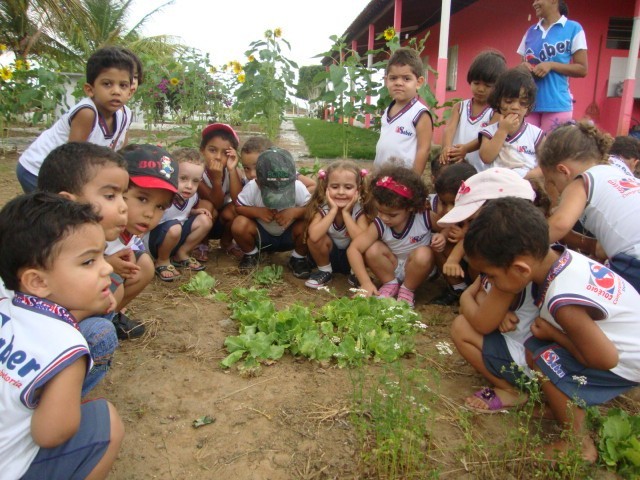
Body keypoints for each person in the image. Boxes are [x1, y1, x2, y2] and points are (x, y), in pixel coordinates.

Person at [464, 197, 640, 463]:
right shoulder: (563, 258)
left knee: (544, 354)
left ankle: (577, 444)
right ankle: (560, 407)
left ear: (520, 269)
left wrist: (553, 335)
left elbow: (606, 358)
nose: (492, 283)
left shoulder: (562, 300)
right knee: (539, 349)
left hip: (625, 361)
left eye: (493, 276)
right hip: (622, 344)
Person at [0, 192, 124, 479]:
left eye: (102, 255)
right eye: (88, 262)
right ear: (38, 281)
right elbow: (50, 434)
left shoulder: (6, 306)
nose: (107, 267)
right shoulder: (66, 347)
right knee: (106, 423)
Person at [37, 142, 128, 393]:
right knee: (101, 333)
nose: (123, 206)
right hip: (30, 343)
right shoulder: (44, 251)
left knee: (108, 290)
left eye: (123, 195)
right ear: (68, 202)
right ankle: (47, 408)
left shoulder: (59, 237)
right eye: (110, 196)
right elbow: (36, 324)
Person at [16, 46, 135, 193]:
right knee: (55, 211)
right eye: (107, 84)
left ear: (130, 92)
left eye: (123, 85)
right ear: (90, 89)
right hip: (36, 169)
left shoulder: (125, 115)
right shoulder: (87, 112)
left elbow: (120, 153)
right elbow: (74, 159)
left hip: (65, 169)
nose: (116, 91)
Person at [540, 121, 640, 292]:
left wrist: (521, 245)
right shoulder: (617, 174)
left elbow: (560, 224)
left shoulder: (581, 181)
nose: (555, 189)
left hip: (634, 260)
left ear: (564, 171)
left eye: (553, 182)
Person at [106, 144, 179, 338]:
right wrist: (104, 264)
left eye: (160, 206)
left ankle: (108, 318)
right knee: (116, 283)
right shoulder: (94, 224)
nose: (149, 214)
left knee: (144, 264)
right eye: (142, 199)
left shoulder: (128, 229)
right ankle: (83, 329)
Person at [347, 165, 445, 307]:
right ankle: (390, 283)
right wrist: (365, 282)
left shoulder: (424, 217)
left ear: (411, 207)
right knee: (372, 249)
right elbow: (354, 249)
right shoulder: (380, 223)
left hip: (419, 267)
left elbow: (447, 226)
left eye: (392, 214)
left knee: (424, 253)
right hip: (392, 266)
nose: (385, 218)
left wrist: (443, 235)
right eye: (380, 211)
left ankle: (408, 289)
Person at [232, 147, 312, 277]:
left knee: (309, 226)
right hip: (261, 236)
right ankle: (251, 254)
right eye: (272, 190)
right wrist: (257, 212)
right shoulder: (252, 187)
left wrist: (294, 212)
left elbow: (311, 210)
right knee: (239, 224)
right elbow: (239, 207)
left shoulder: (298, 187)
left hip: (288, 235)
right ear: (258, 181)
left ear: (293, 179)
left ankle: (298, 257)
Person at [517, 0, 588, 133]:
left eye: (538, 0)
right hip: (528, 105)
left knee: (548, 152)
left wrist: (551, 65)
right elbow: (521, 64)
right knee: (525, 151)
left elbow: (582, 69)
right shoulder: (531, 31)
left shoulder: (573, 28)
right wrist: (523, 67)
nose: (534, 3)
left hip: (558, 105)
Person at [303, 160, 371, 289]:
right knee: (316, 238)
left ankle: (356, 274)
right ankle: (324, 271)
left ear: (358, 189)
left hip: (352, 259)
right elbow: (314, 236)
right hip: (328, 257)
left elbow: (363, 241)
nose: (341, 192)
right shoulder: (323, 209)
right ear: (326, 188)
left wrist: (346, 214)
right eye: (335, 187)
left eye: (348, 187)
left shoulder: (359, 210)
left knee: (368, 239)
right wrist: (333, 211)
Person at [148, 148, 213, 281]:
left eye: (195, 181)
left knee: (205, 220)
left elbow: (182, 213)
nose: (189, 186)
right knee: (175, 228)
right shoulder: (163, 197)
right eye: (183, 178)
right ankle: (162, 261)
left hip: (175, 238)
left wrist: (194, 212)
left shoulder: (192, 197)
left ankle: (181, 253)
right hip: (154, 242)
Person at [440, 50, 507, 172]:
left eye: (487, 86)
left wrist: (465, 149)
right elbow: (449, 129)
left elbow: (486, 136)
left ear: (498, 86)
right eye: (476, 83)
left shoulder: (496, 112)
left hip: (481, 169)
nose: (480, 89)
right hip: (456, 165)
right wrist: (447, 148)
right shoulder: (460, 107)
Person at [374, 47, 433, 176]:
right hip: (381, 176)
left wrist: (413, 181)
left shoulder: (420, 114)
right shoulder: (387, 111)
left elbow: (424, 149)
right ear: (386, 81)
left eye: (406, 79)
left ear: (419, 82)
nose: (399, 83)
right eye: (393, 78)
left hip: (403, 181)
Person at [479, 67, 545, 179]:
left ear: (529, 105)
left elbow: (546, 165)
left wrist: (524, 177)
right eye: (509, 101)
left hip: (526, 184)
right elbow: (486, 157)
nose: (515, 107)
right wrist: (503, 131)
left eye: (522, 102)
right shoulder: (490, 132)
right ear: (498, 101)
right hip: (497, 185)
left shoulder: (536, 134)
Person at [429, 162, 477, 305]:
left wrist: (464, 236)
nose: (448, 210)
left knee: (477, 256)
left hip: (480, 267)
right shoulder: (460, 215)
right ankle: (459, 289)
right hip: (462, 265)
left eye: (454, 203)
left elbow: (474, 236)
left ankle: (477, 291)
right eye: (444, 203)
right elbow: (449, 228)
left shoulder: (482, 213)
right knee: (437, 244)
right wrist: (442, 237)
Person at [194, 123, 240, 262]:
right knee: (207, 206)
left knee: (235, 209)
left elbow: (239, 200)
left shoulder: (232, 171)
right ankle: (202, 243)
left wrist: (232, 170)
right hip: (201, 220)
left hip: (221, 221)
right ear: (202, 150)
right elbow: (216, 202)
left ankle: (226, 243)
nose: (218, 157)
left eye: (225, 153)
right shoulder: (198, 173)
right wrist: (216, 180)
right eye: (212, 150)